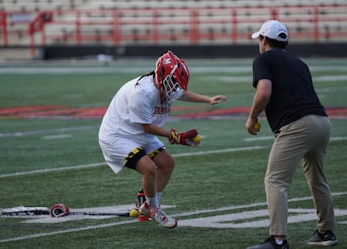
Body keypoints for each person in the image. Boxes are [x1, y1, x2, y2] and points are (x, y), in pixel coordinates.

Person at [98, 51, 227, 228]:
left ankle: (146, 205)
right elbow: (147, 126)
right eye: (173, 83)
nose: (175, 88)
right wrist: (176, 136)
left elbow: (180, 93)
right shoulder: (142, 93)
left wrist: (208, 100)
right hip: (118, 136)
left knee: (167, 164)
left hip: (137, 132)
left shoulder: (165, 83)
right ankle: (153, 209)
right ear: (161, 75)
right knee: (149, 169)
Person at [245, 20, 337, 249]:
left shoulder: (263, 58)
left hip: (296, 125)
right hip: (322, 122)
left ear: (264, 40)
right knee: (318, 179)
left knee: (275, 180)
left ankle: (278, 240)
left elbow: (264, 93)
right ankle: (326, 232)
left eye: (260, 39)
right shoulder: (300, 63)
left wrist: (252, 117)